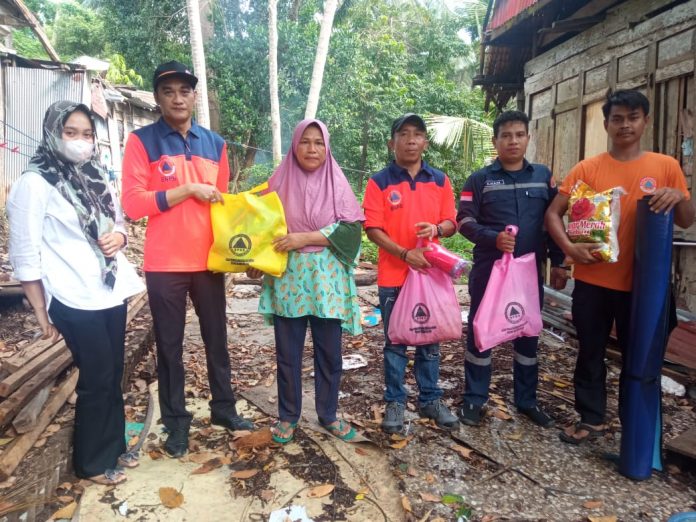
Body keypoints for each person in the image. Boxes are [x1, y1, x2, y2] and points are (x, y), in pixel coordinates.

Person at [545, 89, 694, 444]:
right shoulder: (588, 168)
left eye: (632, 117)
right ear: (607, 122)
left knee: (639, 359)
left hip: (645, 287)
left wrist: (678, 196)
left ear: (645, 121)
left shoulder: (665, 167)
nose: (625, 124)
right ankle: (591, 419)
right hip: (594, 281)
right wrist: (567, 248)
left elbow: (687, 220)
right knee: (590, 352)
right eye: (617, 118)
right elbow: (554, 213)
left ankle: (637, 432)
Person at [7, 101, 145, 485]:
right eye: (72, 133)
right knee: (97, 375)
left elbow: (119, 221)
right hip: (69, 295)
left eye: (87, 134)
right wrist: (40, 311)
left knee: (113, 370)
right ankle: (92, 463)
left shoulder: (96, 174)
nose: (81, 142)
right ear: (54, 131)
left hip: (107, 289)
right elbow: (24, 251)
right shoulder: (35, 182)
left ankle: (113, 446)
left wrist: (119, 236)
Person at [121, 61, 253, 458]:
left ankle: (224, 410)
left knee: (217, 339)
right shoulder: (141, 142)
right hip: (164, 264)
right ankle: (176, 423)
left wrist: (240, 249)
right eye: (168, 92)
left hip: (209, 260)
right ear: (158, 98)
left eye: (185, 91)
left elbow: (223, 205)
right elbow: (132, 204)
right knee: (170, 346)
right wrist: (186, 189)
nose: (177, 98)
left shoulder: (215, 143)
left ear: (195, 96)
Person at [247, 119, 364, 444]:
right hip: (288, 280)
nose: (312, 149)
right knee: (288, 353)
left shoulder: (338, 184)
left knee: (329, 353)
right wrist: (255, 262)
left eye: (318, 143)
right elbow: (260, 229)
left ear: (327, 147)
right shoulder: (276, 185)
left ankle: (328, 414)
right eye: (305, 142)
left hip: (326, 282)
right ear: (294, 145)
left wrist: (304, 238)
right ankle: (288, 416)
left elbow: (352, 232)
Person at [456, 110, 566, 428]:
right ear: (495, 141)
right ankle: (475, 399)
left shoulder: (544, 177)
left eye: (519, 134)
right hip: (490, 272)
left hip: (529, 273)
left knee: (528, 334)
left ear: (528, 138)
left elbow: (553, 222)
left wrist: (559, 262)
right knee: (481, 334)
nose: (513, 141)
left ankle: (527, 400)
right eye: (506, 135)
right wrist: (493, 238)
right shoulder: (480, 180)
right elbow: (464, 220)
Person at [363, 113, 459, 434]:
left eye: (417, 134)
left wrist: (436, 228)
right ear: (393, 143)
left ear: (425, 142)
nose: (411, 140)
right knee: (395, 342)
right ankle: (395, 401)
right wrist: (405, 254)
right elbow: (373, 229)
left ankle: (430, 399)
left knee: (430, 341)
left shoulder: (440, 180)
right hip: (394, 276)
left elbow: (451, 222)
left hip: (431, 276)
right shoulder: (379, 182)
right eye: (404, 134)